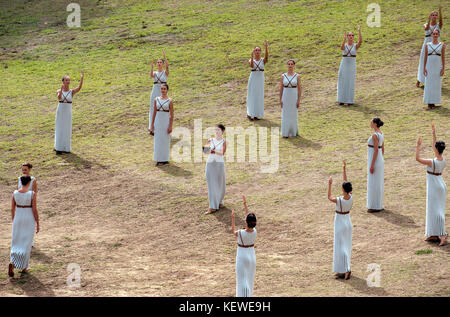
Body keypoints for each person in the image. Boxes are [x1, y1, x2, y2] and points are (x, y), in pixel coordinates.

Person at [415, 124, 447, 246]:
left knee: (434, 210)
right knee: (436, 209)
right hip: (441, 185)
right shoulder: (442, 160)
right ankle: (433, 234)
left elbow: (417, 158)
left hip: (434, 187)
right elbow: (436, 145)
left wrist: (418, 146)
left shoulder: (431, 162)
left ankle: (442, 234)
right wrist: (434, 133)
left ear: (436, 149)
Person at [8, 176, 40, 278]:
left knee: (16, 240)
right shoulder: (32, 194)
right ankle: (24, 267)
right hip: (28, 217)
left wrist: (14, 220)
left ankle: (12, 261)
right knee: (26, 242)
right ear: (29, 182)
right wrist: (38, 222)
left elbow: (12, 209)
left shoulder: (15, 193)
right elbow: (34, 209)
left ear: (20, 181)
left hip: (18, 217)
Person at [328, 160, 352, 280]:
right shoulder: (351, 196)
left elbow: (329, 197)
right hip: (348, 221)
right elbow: (345, 182)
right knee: (346, 245)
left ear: (343, 189)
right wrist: (344, 169)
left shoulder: (339, 200)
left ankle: (346, 269)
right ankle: (342, 270)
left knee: (340, 246)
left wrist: (330, 184)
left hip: (340, 222)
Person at [232, 195, 257, 297]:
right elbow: (247, 217)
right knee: (250, 279)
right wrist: (245, 204)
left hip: (242, 256)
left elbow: (233, 231)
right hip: (252, 255)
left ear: (246, 222)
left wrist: (233, 218)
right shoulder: (255, 231)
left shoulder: (241, 233)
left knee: (242, 280)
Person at [54, 72, 84, 154]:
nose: (68, 82)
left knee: (67, 129)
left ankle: (66, 148)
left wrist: (81, 79)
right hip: (60, 111)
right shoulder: (59, 90)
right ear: (63, 81)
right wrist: (60, 93)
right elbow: (59, 98)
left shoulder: (71, 92)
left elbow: (79, 88)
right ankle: (58, 147)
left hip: (68, 112)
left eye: (69, 80)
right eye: (66, 80)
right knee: (59, 128)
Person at [417, 5, 443, 87]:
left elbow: (441, 22)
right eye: (433, 15)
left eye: (436, 15)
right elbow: (427, 28)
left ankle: (431, 80)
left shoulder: (438, 25)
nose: (434, 16)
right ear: (430, 16)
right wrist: (429, 19)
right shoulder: (425, 24)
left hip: (435, 45)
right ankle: (419, 79)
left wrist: (440, 11)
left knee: (433, 62)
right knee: (423, 61)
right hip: (426, 44)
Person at [204, 124, 227, 214]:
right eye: (215, 130)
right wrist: (207, 149)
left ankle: (219, 201)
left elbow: (222, 152)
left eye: (218, 130)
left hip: (219, 165)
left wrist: (214, 151)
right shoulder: (211, 140)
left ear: (222, 131)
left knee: (220, 184)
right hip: (210, 164)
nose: (216, 132)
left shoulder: (224, 142)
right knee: (212, 185)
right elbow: (205, 151)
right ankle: (213, 206)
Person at [337, 26, 362, 106]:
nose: (351, 37)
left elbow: (360, 42)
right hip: (344, 65)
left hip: (352, 66)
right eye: (349, 35)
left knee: (350, 82)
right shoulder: (345, 45)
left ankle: (348, 100)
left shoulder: (355, 46)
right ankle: (341, 99)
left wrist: (359, 31)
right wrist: (344, 39)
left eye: (352, 35)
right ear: (347, 37)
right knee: (342, 81)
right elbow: (341, 48)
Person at [150, 83, 173, 166]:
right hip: (158, 122)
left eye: (164, 89)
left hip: (165, 122)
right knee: (158, 140)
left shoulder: (170, 101)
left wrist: (170, 125)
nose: (163, 90)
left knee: (165, 141)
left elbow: (172, 114)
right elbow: (154, 112)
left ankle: (165, 159)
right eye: (162, 89)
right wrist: (152, 124)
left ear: (167, 90)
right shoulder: (156, 99)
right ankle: (158, 159)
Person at [423, 29, 446, 109]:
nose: (435, 35)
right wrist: (424, 68)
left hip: (437, 67)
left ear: (438, 35)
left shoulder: (442, 45)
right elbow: (425, 57)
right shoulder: (427, 45)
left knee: (436, 84)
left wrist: (443, 68)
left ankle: (434, 102)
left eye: (436, 34)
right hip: (429, 67)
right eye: (434, 34)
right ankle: (429, 102)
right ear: (432, 35)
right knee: (429, 84)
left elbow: (443, 57)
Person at [246, 40, 268, 121]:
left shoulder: (263, 60)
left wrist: (266, 47)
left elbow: (267, 58)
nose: (257, 51)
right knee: (252, 96)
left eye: (259, 50)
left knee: (258, 96)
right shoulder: (251, 60)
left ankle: (256, 114)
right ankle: (249, 114)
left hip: (260, 79)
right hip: (253, 79)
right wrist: (251, 56)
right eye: (256, 50)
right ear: (254, 52)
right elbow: (252, 65)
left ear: (261, 52)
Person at [279, 59, 301, 138]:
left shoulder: (297, 76)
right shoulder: (283, 76)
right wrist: (280, 99)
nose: (290, 65)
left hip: (293, 96)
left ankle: (292, 132)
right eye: (289, 64)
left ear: (294, 65)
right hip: (285, 96)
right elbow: (281, 88)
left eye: (292, 64)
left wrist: (298, 100)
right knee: (285, 113)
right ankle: (285, 132)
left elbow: (299, 89)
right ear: (287, 65)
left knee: (293, 114)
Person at [149, 50, 169, 134]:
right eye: (158, 62)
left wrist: (165, 57)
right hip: (155, 89)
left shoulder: (165, 73)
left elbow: (168, 67)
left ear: (163, 64)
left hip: (163, 90)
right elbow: (151, 75)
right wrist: (152, 66)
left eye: (160, 62)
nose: (159, 63)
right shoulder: (155, 73)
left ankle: (164, 126)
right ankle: (151, 128)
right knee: (153, 108)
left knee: (163, 107)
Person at [367, 118, 385, 212]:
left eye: (371, 122)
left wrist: (372, 164)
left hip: (374, 159)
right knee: (378, 182)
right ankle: (378, 204)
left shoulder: (375, 135)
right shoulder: (381, 134)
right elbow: (382, 149)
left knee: (373, 182)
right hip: (379, 159)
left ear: (374, 124)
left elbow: (375, 150)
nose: (370, 123)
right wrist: (380, 159)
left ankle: (373, 206)